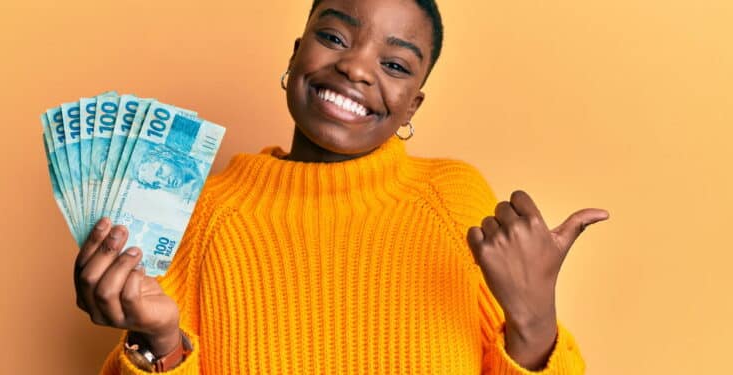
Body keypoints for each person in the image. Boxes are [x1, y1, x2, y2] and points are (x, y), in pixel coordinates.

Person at [74, 0, 609, 373]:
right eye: (333, 37)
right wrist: (159, 343)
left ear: (412, 104)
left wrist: (534, 315)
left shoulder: (452, 202)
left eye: (395, 64)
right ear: (294, 54)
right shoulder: (204, 214)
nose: (354, 67)